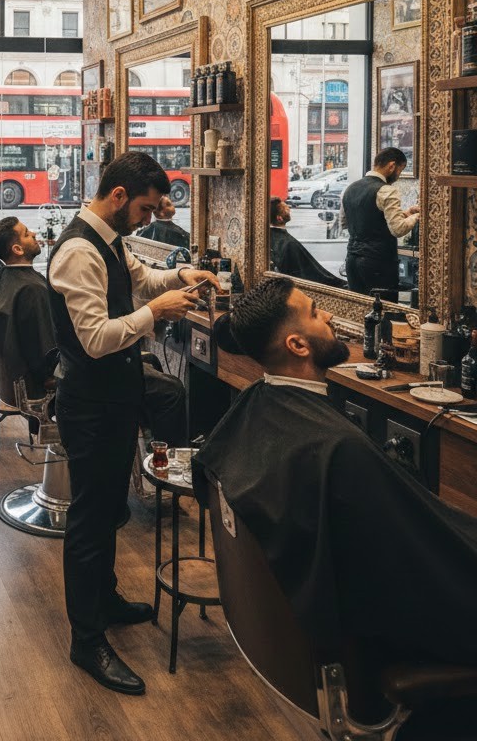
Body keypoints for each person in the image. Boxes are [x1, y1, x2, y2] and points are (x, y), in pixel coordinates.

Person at [194, 278, 477, 739]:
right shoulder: (337, 450)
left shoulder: (257, 408)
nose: (328, 317)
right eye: (314, 311)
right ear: (298, 343)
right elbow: (431, 570)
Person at [47, 151, 218, 695]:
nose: (149, 218)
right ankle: (86, 639)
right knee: (90, 521)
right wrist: (157, 312)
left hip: (115, 397)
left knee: (109, 511)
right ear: (118, 195)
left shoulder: (110, 241)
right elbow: (96, 339)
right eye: (145, 209)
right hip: (91, 402)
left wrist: (181, 277)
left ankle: (106, 598)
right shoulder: (78, 250)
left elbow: (141, 279)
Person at [0, 217, 56, 397]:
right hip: (32, 385)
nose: (33, 234)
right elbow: (45, 353)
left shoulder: (3, 279)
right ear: (17, 249)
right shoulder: (32, 289)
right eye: (26, 233)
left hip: (7, 381)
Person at [341, 147, 419, 298]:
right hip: (378, 263)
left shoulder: (350, 189)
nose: (398, 176)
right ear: (391, 166)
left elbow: (346, 222)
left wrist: (406, 213)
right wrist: (415, 217)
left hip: (352, 261)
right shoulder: (387, 190)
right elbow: (398, 229)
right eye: (400, 170)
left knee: (359, 310)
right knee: (383, 312)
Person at [268, 197, 346, 289]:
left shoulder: (271, 236)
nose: (289, 208)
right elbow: (310, 276)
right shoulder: (289, 244)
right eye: (285, 208)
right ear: (279, 218)